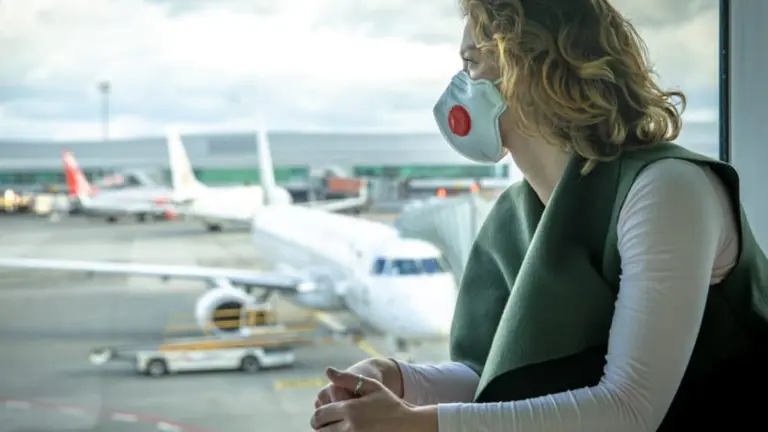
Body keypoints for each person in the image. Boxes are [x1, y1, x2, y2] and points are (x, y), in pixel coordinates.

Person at [310, 0, 768, 430]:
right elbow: (500, 378)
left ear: (529, 68)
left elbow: (630, 409)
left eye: (472, 63)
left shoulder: (666, 190)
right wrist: (397, 379)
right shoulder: (515, 213)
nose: (461, 85)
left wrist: (416, 424)